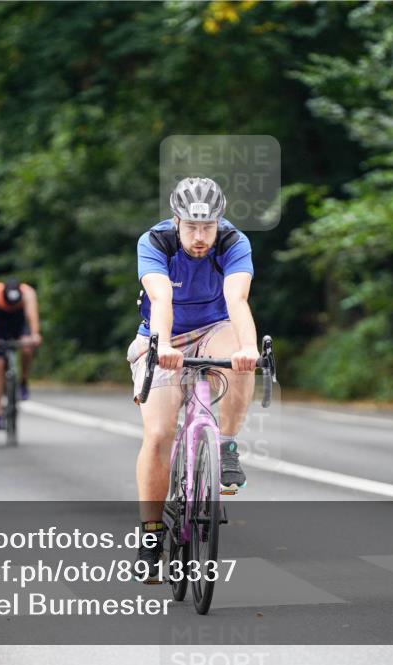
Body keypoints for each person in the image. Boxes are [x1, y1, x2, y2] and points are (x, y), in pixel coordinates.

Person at [128, 177, 260, 581]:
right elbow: (161, 298)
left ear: (219, 222)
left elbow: (237, 299)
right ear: (176, 221)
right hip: (162, 334)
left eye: (208, 227)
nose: (200, 237)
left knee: (238, 355)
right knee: (158, 434)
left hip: (214, 328)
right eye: (191, 227)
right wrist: (165, 345)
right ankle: (151, 535)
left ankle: (226, 444)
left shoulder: (234, 242)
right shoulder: (155, 241)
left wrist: (249, 348)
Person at [0, 276, 41, 429]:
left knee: (27, 349)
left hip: (19, 323)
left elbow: (32, 316)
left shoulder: (28, 293)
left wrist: (35, 335)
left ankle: (23, 381)